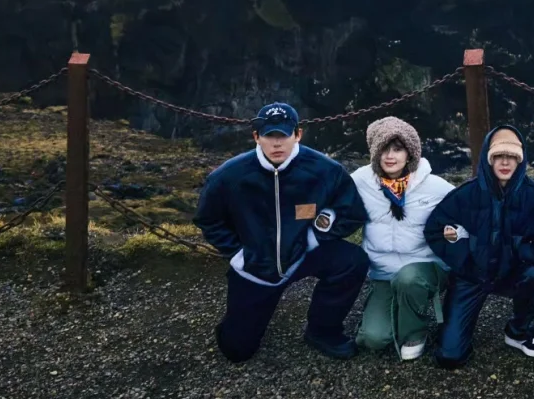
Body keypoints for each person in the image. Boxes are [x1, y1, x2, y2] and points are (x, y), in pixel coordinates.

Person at [194, 102, 370, 363]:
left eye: (283, 135)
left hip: (303, 253)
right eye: (269, 135)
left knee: (353, 261)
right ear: (256, 137)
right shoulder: (228, 176)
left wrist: (314, 235)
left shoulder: (325, 170)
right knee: (237, 350)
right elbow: (208, 219)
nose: (277, 143)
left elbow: (351, 212)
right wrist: (238, 253)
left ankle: (322, 330)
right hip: (255, 266)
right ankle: (243, 320)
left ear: (297, 134)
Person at [424, 125, 534, 368]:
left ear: (520, 161)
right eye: (499, 156)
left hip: (512, 272)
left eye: (512, 157)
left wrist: (520, 251)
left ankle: (519, 330)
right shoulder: (468, 193)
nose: (505, 163)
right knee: (449, 356)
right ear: (488, 159)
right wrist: (465, 257)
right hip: (472, 274)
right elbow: (435, 230)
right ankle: (453, 327)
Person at [349, 116, 455, 361]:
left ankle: (415, 332)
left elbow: (466, 215)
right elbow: (331, 198)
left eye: (397, 149)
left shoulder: (435, 186)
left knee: (409, 280)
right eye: (383, 149)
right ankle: (384, 310)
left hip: (424, 269)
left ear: (410, 154)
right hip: (383, 273)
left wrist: (455, 232)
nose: (390, 156)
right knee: (373, 340)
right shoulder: (360, 181)